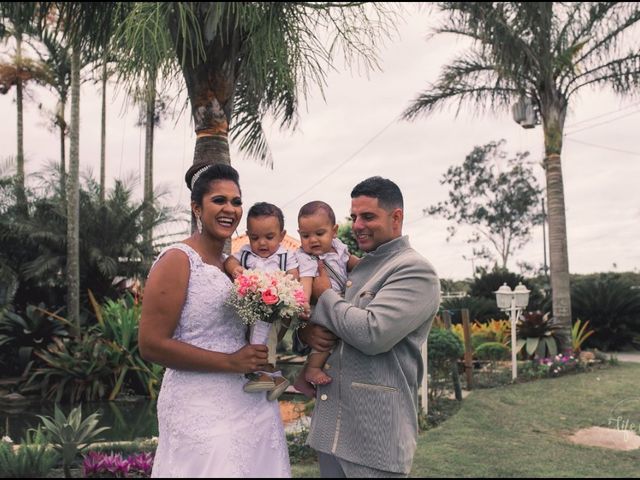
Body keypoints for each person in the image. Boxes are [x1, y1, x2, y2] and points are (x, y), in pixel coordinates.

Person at [139, 162, 291, 478]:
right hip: (199, 404)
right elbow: (151, 346)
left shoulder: (234, 266)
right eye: (219, 200)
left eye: (236, 201)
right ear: (196, 207)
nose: (230, 209)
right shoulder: (178, 260)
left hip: (250, 401)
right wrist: (230, 362)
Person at [297, 176, 440, 478]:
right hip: (331, 430)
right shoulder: (355, 266)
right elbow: (332, 328)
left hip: (375, 438)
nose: (358, 225)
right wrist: (305, 333)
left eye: (368, 216)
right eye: (354, 217)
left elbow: (373, 334)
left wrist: (325, 295)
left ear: (396, 217)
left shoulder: (414, 269)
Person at [224, 202, 299, 400]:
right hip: (254, 308)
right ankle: (274, 379)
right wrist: (234, 269)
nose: (262, 243)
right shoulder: (246, 253)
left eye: (269, 237)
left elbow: (294, 277)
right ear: (248, 235)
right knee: (251, 339)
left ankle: (266, 373)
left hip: (277, 309)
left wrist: (286, 287)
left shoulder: (286, 256)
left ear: (282, 236)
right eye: (255, 238)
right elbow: (229, 260)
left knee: (269, 339)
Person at [292, 201, 359, 397]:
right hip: (318, 305)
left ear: (334, 230)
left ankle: (304, 377)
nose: (312, 240)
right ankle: (311, 370)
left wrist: (367, 265)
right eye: (305, 235)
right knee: (326, 335)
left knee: (336, 336)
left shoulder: (339, 248)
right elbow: (305, 280)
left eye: (319, 234)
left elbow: (352, 263)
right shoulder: (305, 257)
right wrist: (303, 301)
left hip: (338, 301)